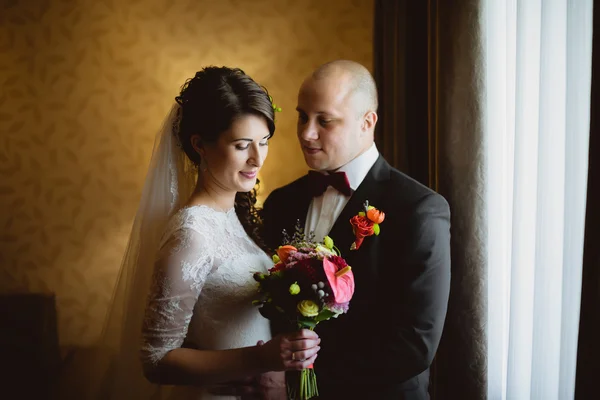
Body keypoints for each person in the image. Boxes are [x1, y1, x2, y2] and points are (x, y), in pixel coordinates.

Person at [96, 66, 320, 400]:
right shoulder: (191, 234)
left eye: (263, 142)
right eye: (242, 145)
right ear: (200, 144)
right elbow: (156, 359)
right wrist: (259, 358)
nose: (257, 158)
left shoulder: (234, 216)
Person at [261, 60, 451, 399]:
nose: (306, 133)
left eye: (325, 120)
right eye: (302, 116)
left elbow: (415, 343)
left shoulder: (419, 209)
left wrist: (299, 376)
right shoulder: (280, 202)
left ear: (367, 123)